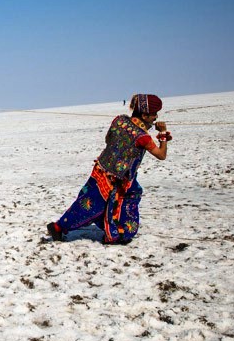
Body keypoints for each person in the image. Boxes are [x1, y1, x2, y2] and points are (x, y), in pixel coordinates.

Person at [47, 94, 171, 244]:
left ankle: (60, 227)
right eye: (154, 114)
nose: (156, 117)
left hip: (101, 169)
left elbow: (108, 139)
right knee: (101, 204)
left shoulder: (119, 120)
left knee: (88, 201)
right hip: (118, 179)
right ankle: (114, 234)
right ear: (144, 115)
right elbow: (161, 155)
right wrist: (162, 133)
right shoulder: (143, 137)